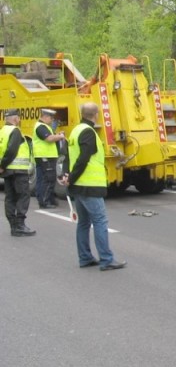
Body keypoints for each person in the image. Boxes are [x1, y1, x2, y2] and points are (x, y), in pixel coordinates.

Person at [59, 102, 126, 270]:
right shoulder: (89, 133)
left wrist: (66, 175)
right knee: (100, 221)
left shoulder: (75, 131)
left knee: (83, 223)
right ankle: (106, 259)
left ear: (82, 113)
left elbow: (67, 156)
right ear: (96, 115)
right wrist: (72, 178)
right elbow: (83, 159)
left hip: (79, 186)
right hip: (89, 185)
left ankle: (85, 257)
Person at [0, 108, 36, 237]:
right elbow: (12, 150)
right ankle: (20, 225)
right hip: (18, 170)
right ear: (16, 119)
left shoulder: (3, 131)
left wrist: (2, 166)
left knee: (10, 197)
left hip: (8, 171)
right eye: (19, 118)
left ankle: (13, 226)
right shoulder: (15, 131)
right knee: (22, 196)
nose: (19, 120)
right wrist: (3, 165)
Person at [32, 108, 65, 209]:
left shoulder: (44, 126)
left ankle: (46, 199)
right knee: (48, 179)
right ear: (45, 117)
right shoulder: (41, 127)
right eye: (51, 118)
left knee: (42, 179)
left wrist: (57, 135)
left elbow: (50, 136)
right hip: (45, 156)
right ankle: (45, 202)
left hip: (44, 156)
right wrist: (60, 137)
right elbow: (49, 138)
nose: (52, 120)